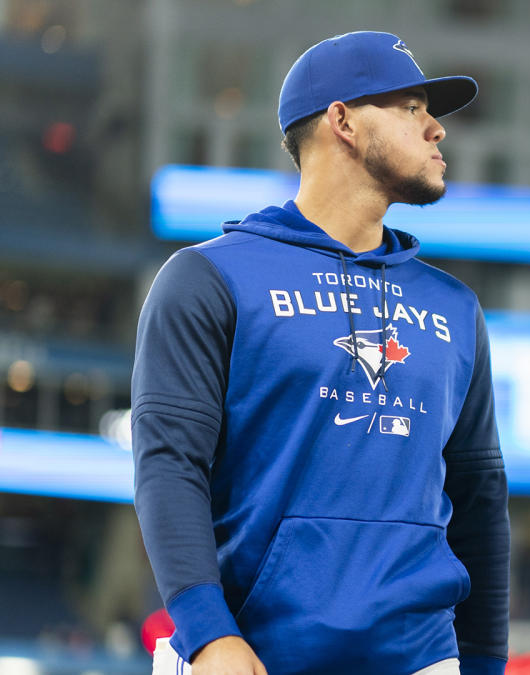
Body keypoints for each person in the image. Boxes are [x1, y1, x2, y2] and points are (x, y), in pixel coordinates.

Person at [133, 31, 509, 675]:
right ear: (343, 121)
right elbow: (170, 466)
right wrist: (207, 633)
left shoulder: (454, 307)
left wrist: (484, 662)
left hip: (419, 659)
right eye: (412, 109)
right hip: (250, 654)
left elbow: (478, 494)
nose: (436, 131)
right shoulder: (208, 279)